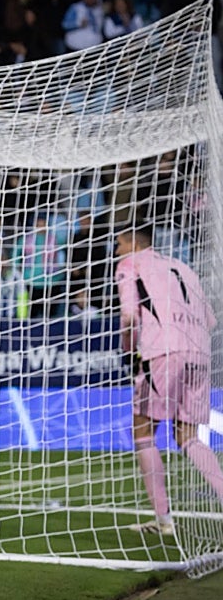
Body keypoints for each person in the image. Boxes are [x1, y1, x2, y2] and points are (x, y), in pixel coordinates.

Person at [115, 224, 223, 535]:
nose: (117, 250)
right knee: (188, 435)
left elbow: (129, 315)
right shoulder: (183, 267)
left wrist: (128, 348)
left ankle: (164, 521)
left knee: (143, 428)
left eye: (120, 244)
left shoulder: (130, 264)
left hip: (162, 351)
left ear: (134, 242)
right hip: (200, 353)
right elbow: (211, 319)